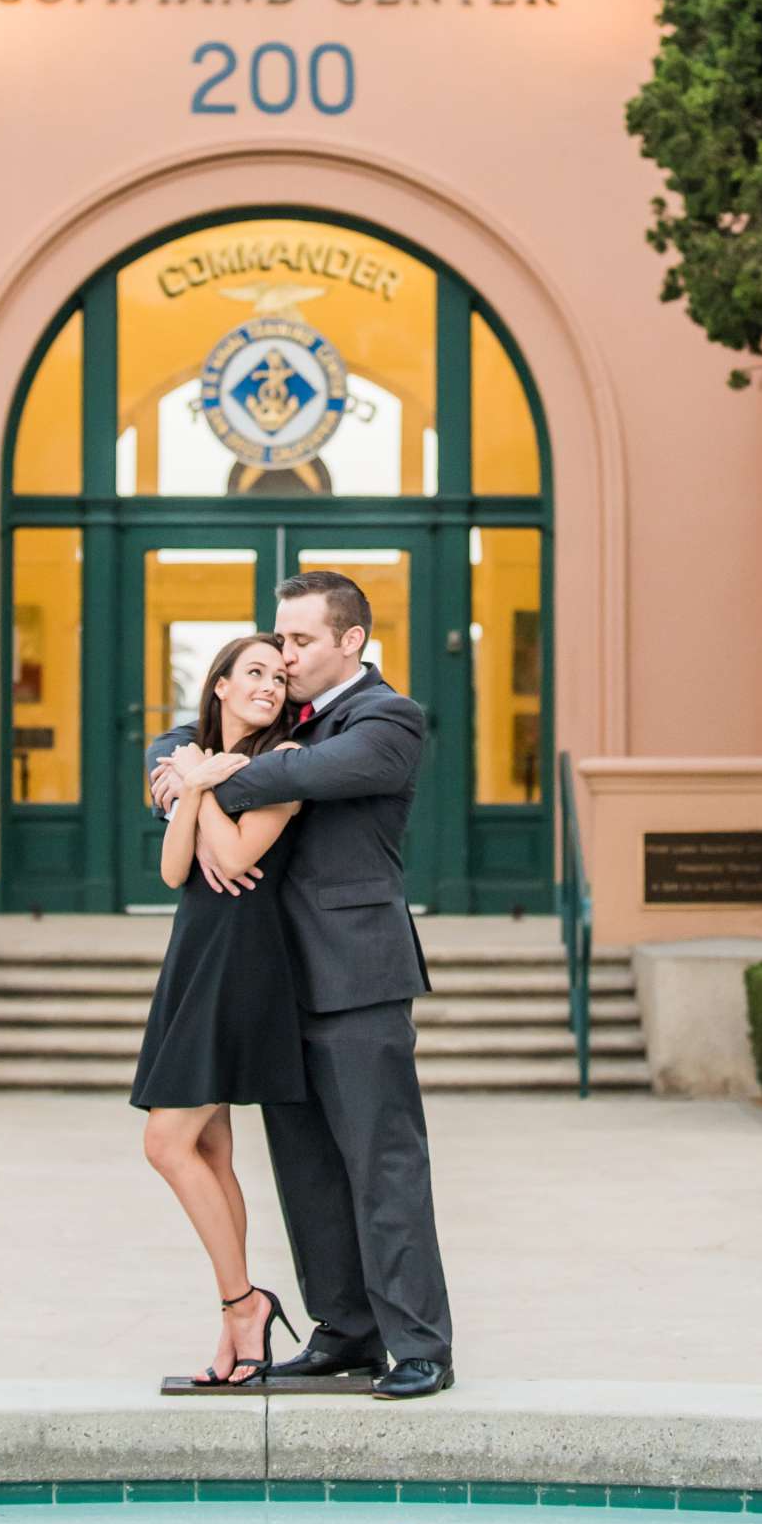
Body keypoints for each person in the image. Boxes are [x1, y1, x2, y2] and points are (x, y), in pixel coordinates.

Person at [148, 571, 454, 1401]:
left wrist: (201, 778)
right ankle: (345, 1332)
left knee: (383, 1163)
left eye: (301, 641)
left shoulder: (389, 718)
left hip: (357, 975)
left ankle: (419, 1343)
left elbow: (299, 778)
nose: (284, 656)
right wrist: (172, 766)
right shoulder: (283, 718)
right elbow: (184, 730)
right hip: (270, 981)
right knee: (308, 1173)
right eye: (279, 641)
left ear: (351, 641)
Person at [131, 632, 305, 1387]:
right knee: (210, 1152)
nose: (270, 684)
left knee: (166, 1144)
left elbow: (233, 858)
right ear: (222, 686)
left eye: (279, 675)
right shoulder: (197, 761)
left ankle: (245, 1304)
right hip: (195, 952)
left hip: (245, 960)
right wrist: (198, 783)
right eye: (255, 673)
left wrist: (195, 781)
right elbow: (175, 871)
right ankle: (237, 1324)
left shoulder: (289, 765)